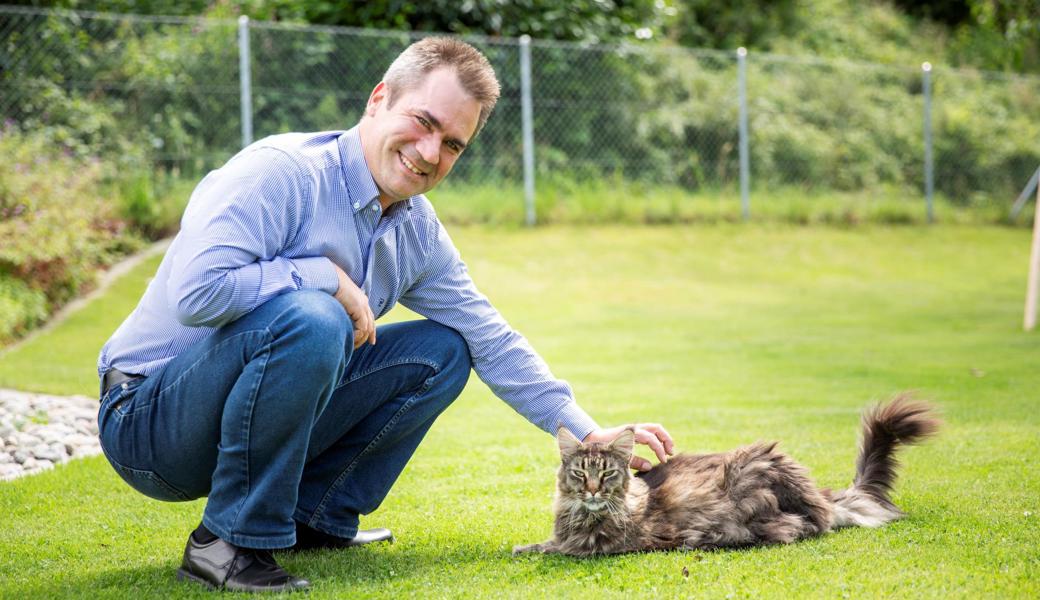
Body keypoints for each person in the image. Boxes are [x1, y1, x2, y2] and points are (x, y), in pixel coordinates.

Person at [96, 37, 674, 593]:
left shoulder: (415, 229)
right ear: (379, 99)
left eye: (452, 144)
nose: (430, 153)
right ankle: (225, 544)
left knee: (444, 349)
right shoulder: (281, 173)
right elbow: (196, 294)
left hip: (237, 418)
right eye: (424, 122)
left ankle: (316, 518)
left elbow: (489, 339)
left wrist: (591, 431)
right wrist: (325, 276)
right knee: (315, 316)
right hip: (149, 422)